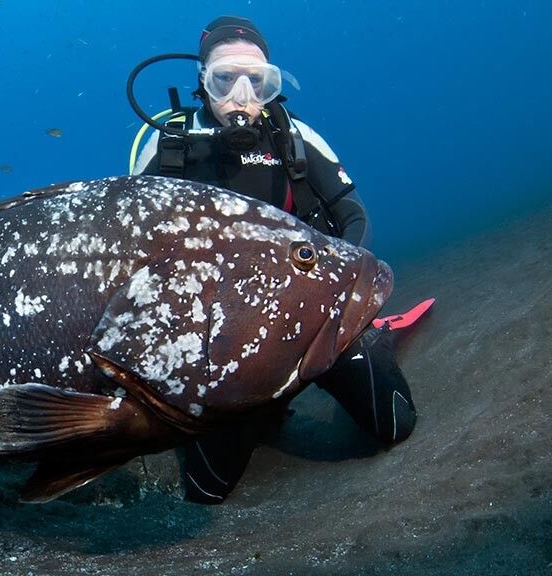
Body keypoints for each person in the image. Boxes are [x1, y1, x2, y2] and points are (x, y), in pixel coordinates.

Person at [129, 16, 424, 504]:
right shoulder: (169, 146)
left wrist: (344, 308)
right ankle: (258, 404)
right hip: (219, 339)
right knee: (207, 489)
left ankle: (369, 341)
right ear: (202, 81)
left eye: (258, 82)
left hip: (313, 316)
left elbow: (353, 218)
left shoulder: (294, 137)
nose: (242, 97)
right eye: (225, 80)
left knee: (394, 422)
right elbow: (133, 251)